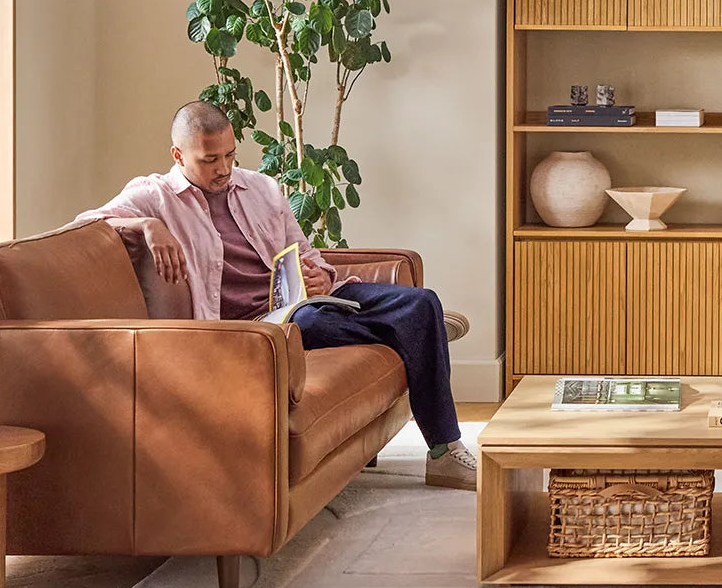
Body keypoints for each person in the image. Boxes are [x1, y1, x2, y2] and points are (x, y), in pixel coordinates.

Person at [75, 101, 476, 490]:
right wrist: (147, 225)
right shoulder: (155, 196)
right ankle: (416, 334)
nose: (223, 169)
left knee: (422, 301)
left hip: (302, 301)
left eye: (230, 155)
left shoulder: (261, 188)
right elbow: (85, 224)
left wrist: (319, 276)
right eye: (210, 160)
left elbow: (305, 252)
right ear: (178, 155)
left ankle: (443, 450)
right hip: (255, 327)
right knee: (309, 324)